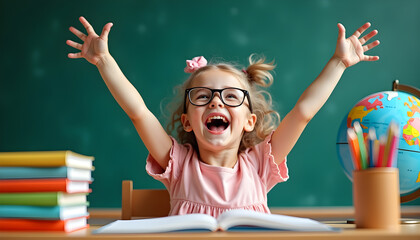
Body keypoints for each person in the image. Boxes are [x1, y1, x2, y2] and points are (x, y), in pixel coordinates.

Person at [67, 17, 380, 218]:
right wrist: (103, 60)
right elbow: (138, 112)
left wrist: (339, 62)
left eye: (231, 97)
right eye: (203, 97)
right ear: (188, 120)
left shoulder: (259, 165)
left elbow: (303, 112)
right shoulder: (178, 164)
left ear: (249, 121)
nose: (216, 101)